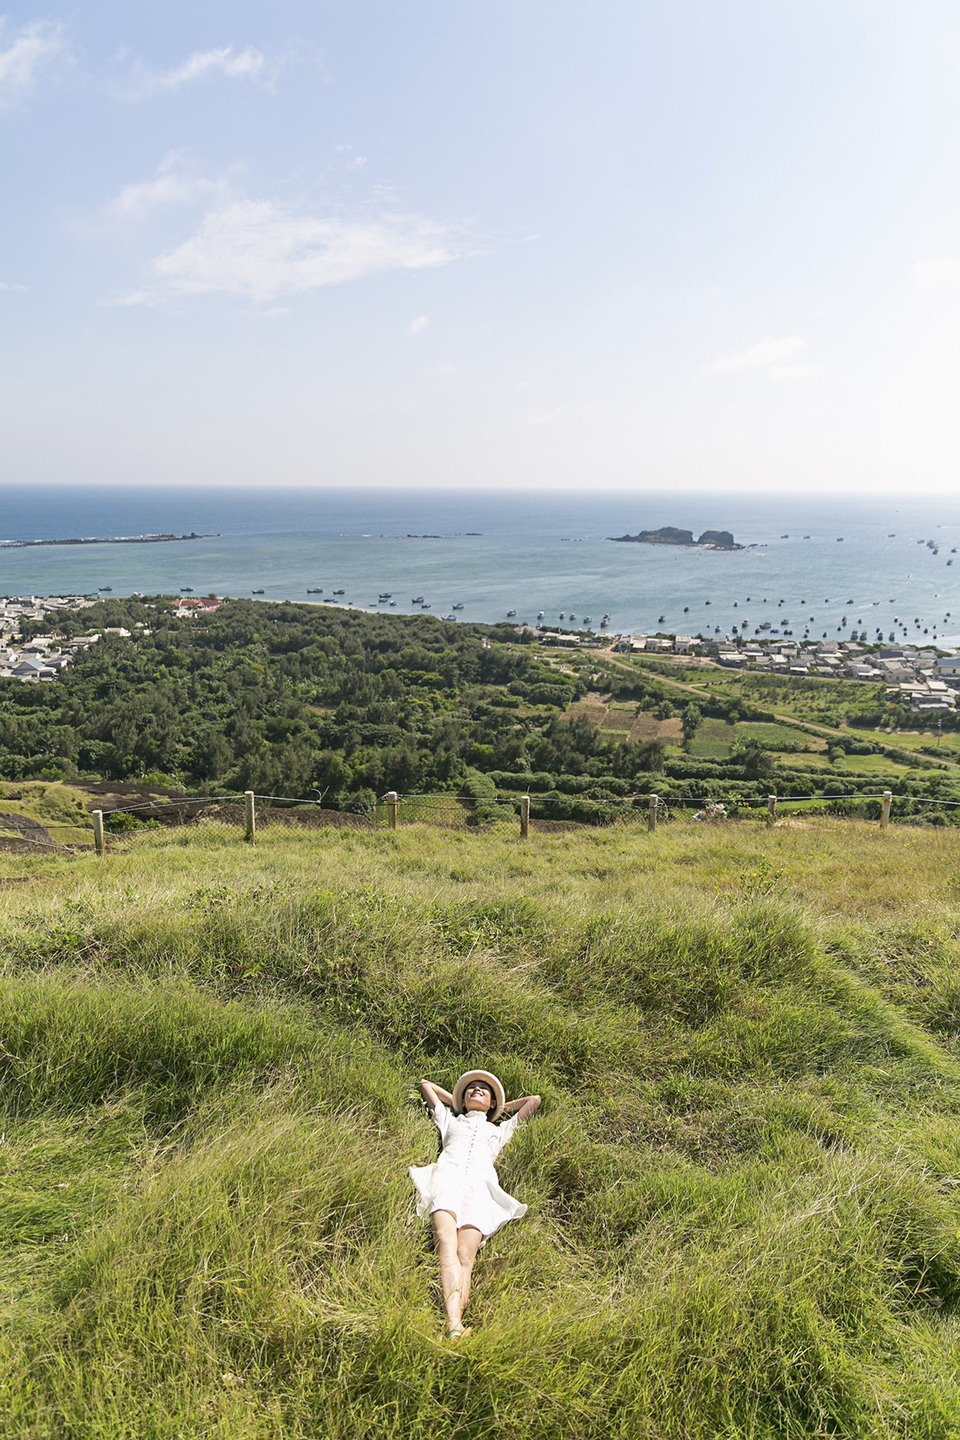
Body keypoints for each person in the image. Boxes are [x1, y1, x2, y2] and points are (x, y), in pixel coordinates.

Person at [411, 1069, 541, 1340]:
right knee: (445, 1242)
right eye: (471, 1088)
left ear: (493, 1102)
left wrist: (498, 1108)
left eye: (484, 1089)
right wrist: (458, 1102)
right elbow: (427, 1086)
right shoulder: (450, 1120)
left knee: (465, 1257)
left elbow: (534, 1101)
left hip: (480, 1189)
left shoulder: (500, 1129)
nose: (476, 1090)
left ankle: (455, 1327)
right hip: (447, 1179)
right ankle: (454, 1324)